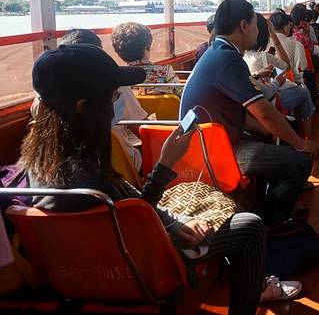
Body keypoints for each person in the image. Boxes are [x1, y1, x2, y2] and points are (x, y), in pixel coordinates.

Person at [20, 44, 301, 313]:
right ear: (83, 107)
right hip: (135, 264)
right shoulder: (87, 179)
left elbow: (129, 211)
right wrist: (166, 164)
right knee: (250, 227)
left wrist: (172, 221)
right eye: (113, 97)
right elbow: (138, 222)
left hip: (77, 269)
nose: (115, 106)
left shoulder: (40, 158)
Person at [180, 0, 319, 226]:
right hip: (217, 150)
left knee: (278, 131)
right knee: (300, 162)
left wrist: (271, 130)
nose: (259, 29)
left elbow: (235, 111)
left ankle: (266, 204)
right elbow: (264, 112)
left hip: (212, 140)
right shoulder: (228, 59)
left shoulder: (218, 52)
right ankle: (268, 223)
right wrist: (301, 145)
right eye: (256, 23)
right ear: (243, 26)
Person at [30, 29, 149, 174]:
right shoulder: (91, 175)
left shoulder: (42, 101)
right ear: (83, 107)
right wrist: (161, 172)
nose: (115, 101)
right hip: (124, 167)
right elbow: (142, 129)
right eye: (114, 96)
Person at [244, 14, 316, 138]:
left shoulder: (242, 56)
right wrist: (274, 37)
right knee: (304, 94)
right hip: (269, 101)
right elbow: (287, 66)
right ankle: (307, 138)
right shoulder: (265, 56)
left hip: (251, 106)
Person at [111, 22, 182, 97]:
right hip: (164, 105)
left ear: (119, 53)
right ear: (147, 48)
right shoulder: (166, 71)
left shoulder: (118, 77)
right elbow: (181, 94)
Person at [269, 11, 308, 84]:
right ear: (285, 27)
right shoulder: (296, 44)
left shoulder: (264, 44)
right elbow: (303, 66)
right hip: (291, 82)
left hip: (270, 83)